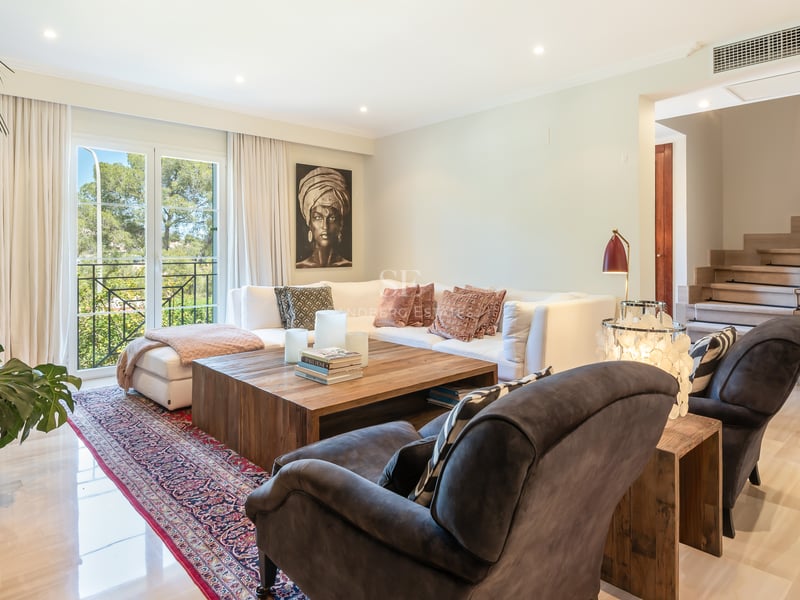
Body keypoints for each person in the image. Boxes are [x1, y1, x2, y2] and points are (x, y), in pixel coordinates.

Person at [296, 166, 352, 268]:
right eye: (318, 217)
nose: (325, 226)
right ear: (309, 222)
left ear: (340, 224)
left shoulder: (348, 265)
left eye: (332, 218)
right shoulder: (300, 267)